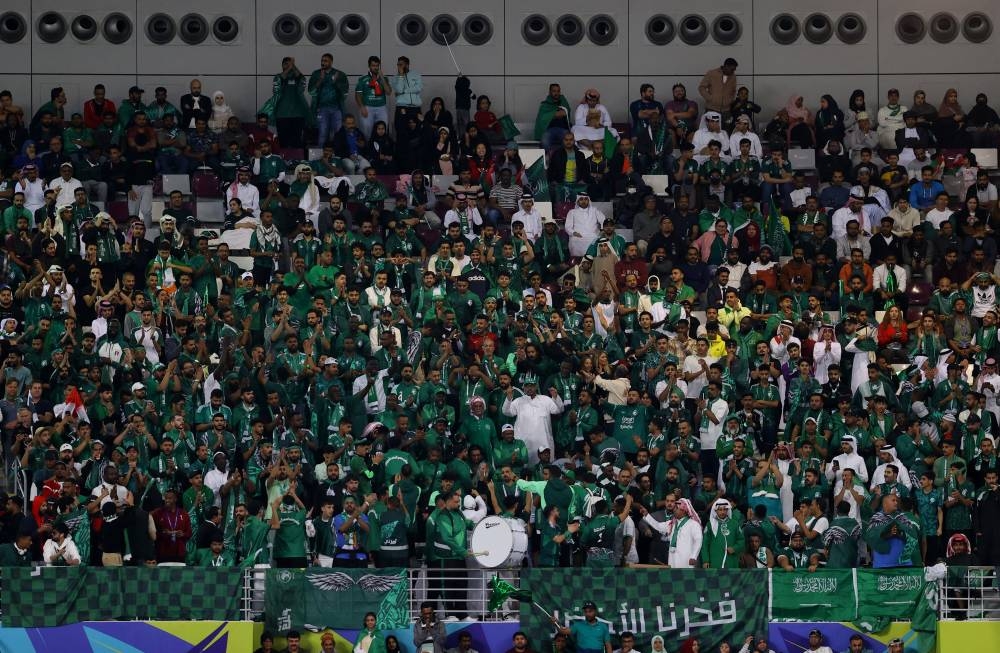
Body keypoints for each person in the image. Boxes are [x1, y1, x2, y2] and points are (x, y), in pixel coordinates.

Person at [535, 84, 573, 151]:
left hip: (563, 129)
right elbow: (542, 118)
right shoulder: (545, 104)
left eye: (558, 91)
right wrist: (555, 114)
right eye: (554, 91)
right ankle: (549, 159)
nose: (556, 93)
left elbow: (565, 112)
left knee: (569, 140)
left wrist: (552, 115)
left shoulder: (563, 101)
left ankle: (564, 158)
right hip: (549, 130)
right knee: (544, 140)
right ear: (550, 92)